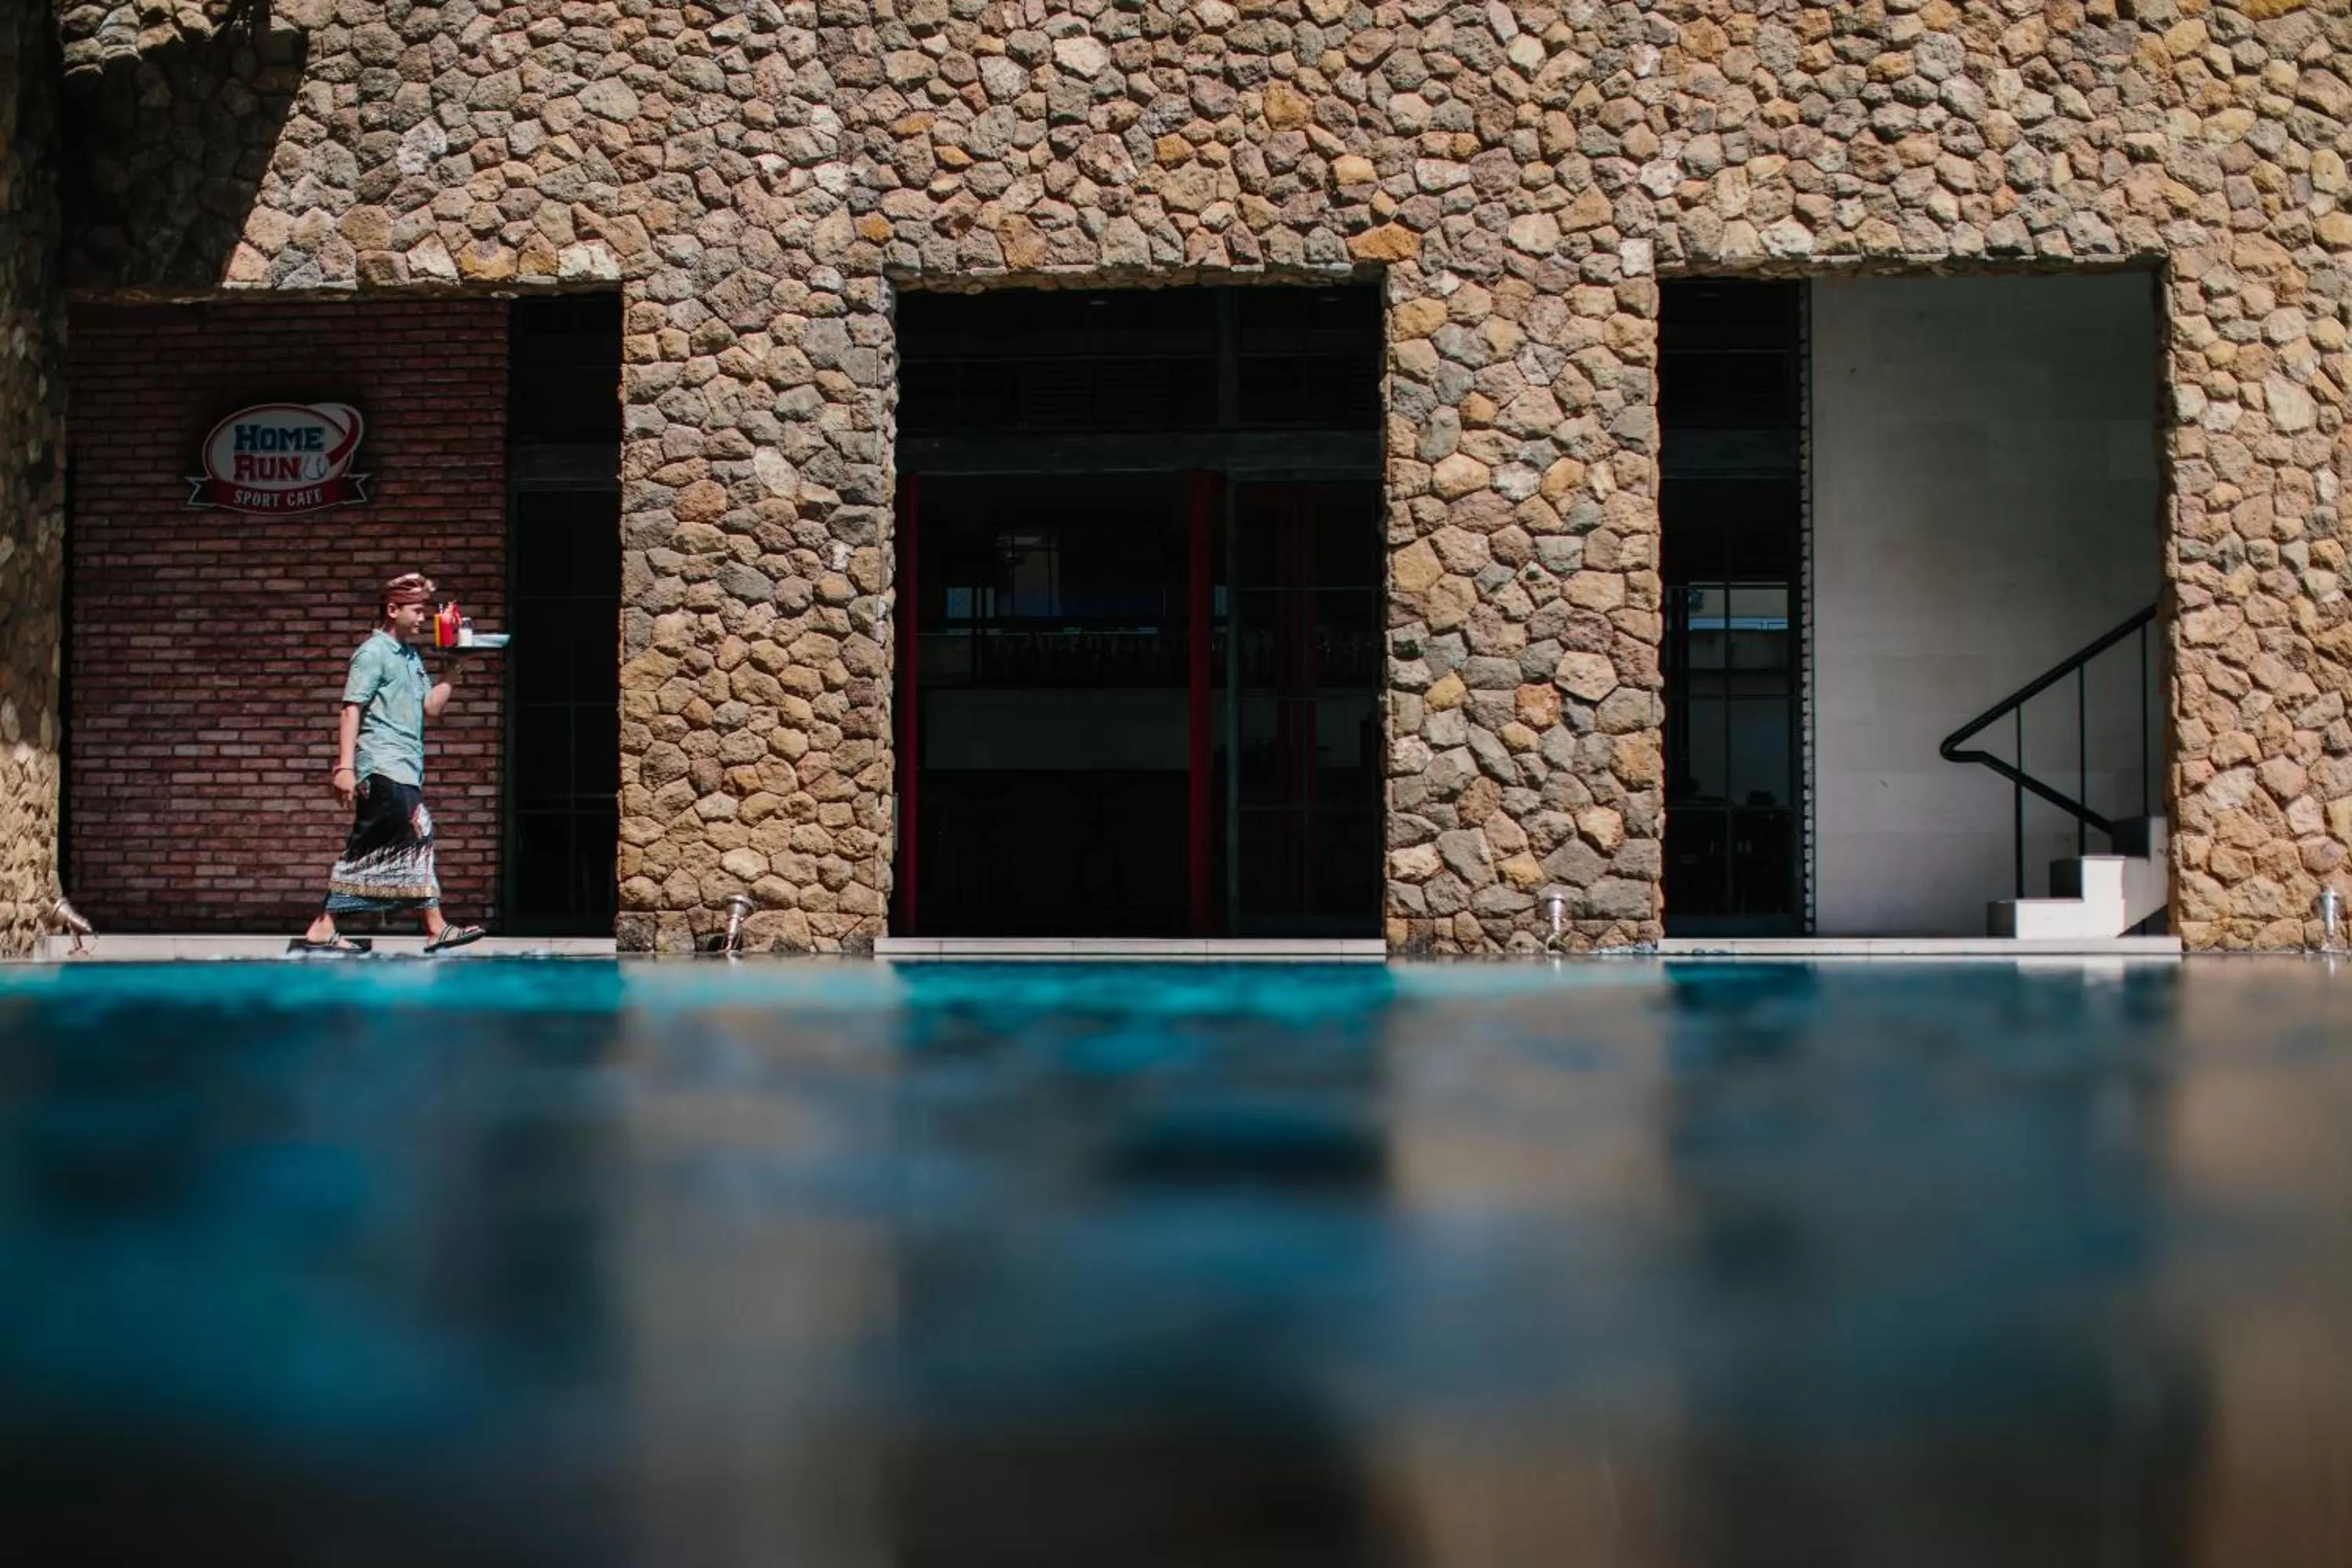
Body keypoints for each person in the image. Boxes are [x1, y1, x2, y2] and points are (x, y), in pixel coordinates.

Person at [296, 572, 485, 955]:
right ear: (392, 608)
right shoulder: (373, 652)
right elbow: (351, 709)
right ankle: (435, 927)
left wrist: (455, 666)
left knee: (374, 844)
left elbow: (430, 708)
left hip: (405, 766)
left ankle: (326, 924)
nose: (423, 618)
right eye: (417, 611)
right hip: (380, 764)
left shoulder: (411, 656)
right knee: (418, 831)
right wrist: (344, 768)